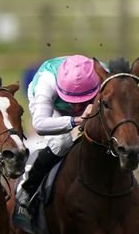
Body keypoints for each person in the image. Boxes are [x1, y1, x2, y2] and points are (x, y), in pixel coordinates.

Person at [15, 55, 103, 219]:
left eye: (81, 101)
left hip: (86, 99)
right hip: (54, 105)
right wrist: (77, 120)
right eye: (72, 100)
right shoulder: (45, 82)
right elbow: (40, 125)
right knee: (61, 143)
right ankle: (28, 187)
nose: (76, 106)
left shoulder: (104, 75)